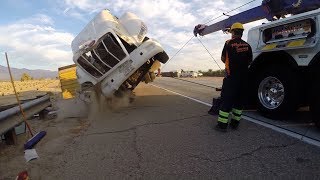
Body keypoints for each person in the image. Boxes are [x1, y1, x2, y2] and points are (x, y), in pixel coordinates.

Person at [215, 22, 253, 132]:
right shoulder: (247, 45)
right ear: (241, 33)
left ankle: (222, 126)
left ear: (232, 32)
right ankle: (235, 124)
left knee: (226, 100)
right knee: (239, 101)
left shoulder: (228, 43)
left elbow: (223, 58)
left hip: (231, 78)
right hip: (244, 79)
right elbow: (250, 61)